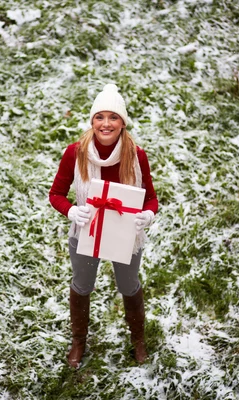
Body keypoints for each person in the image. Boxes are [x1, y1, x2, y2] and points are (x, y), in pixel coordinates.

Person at [49, 84, 159, 368]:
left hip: (126, 234)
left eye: (113, 117)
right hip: (87, 231)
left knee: (129, 284)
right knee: (82, 285)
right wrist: (72, 211)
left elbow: (151, 198)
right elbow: (56, 194)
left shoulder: (137, 156)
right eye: (100, 117)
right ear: (92, 121)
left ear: (123, 122)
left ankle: (138, 339)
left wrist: (147, 216)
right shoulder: (76, 153)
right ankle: (79, 339)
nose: (106, 123)